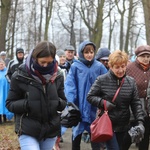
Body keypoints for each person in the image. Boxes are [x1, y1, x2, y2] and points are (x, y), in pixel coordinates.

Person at [6, 41, 67, 150]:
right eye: (42, 62)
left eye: (49, 62)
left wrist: (56, 103)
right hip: (27, 128)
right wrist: (28, 104)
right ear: (35, 58)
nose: (45, 66)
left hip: (50, 129)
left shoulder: (58, 75)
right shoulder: (19, 75)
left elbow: (63, 101)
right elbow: (10, 104)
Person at [87, 50, 145, 150]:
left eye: (123, 66)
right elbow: (90, 96)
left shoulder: (131, 82)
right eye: (117, 67)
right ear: (110, 66)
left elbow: (136, 103)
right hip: (107, 124)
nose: (120, 70)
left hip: (124, 125)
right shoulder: (101, 80)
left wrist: (140, 122)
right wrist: (103, 102)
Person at [64, 40, 107, 150]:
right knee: (76, 135)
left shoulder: (99, 67)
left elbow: (106, 85)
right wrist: (71, 103)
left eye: (91, 52)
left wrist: (103, 102)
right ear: (81, 53)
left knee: (95, 137)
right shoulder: (75, 67)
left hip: (95, 107)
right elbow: (70, 86)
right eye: (86, 52)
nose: (89, 55)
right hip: (79, 107)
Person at [125, 45, 150, 150]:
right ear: (137, 56)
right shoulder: (129, 68)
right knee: (127, 138)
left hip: (147, 108)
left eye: (148, 56)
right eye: (143, 56)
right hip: (132, 108)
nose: (146, 58)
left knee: (145, 139)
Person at [0, 59, 13, 124]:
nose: (1, 66)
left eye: (2, 64)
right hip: (0, 92)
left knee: (5, 103)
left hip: (6, 91)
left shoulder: (7, 72)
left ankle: (5, 118)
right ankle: (0, 119)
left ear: (4, 64)